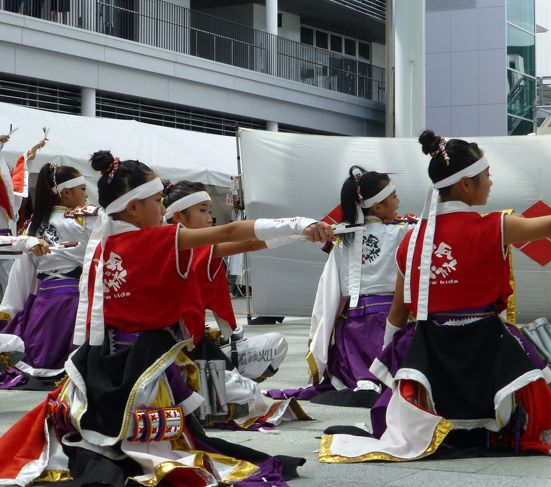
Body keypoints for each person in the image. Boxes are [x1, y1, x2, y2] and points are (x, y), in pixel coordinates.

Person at [0, 150, 333, 486]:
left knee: (102, 431)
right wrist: (299, 224)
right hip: (145, 362)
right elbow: (230, 232)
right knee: (159, 444)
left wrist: (296, 235)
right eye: (159, 200)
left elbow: (236, 242)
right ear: (133, 207)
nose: (164, 209)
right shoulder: (159, 239)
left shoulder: (105, 242)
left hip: (103, 358)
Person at [319, 130, 551, 463]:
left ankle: (429, 417)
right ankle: (515, 407)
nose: (490, 183)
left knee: (417, 347)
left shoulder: (411, 241)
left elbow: (397, 314)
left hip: (432, 356)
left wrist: (390, 368)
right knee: (514, 342)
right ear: (465, 185)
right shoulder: (495, 226)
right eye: (486, 176)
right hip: (488, 349)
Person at [267, 166, 417, 408]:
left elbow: (329, 292)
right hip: (393, 322)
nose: (398, 201)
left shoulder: (343, 239)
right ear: (378, 206)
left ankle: (363, 380)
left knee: (348, 344)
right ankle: (379, 380)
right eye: (394, 196)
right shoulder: (405, 232)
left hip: (354, 330)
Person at [162, 180, 308, 428]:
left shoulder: (199, 246)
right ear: (178, 216)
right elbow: (244, 240)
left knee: (275, 344)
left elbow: (248, 243)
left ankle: (223, 386)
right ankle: (211, 394)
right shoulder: (174, 247)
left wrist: (297, 234)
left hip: (201, 346)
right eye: (203, 211)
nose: (209, 218)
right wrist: (298, 228)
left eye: (209, 211)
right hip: (176, 356)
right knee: (252, 398)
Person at [0, 163, 93, 389]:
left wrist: (9, 310)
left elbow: (21, 273)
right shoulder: (86, 219)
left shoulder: (34, 225)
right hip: (76, 303)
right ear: (66, 192)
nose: (86, 194)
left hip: (42, 306)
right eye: (82, 189)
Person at [0, 134, 47, 300]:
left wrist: (33, 150)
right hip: (7, 243)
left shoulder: (9, 202)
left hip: (7, 245)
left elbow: (21, 170)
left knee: (8, 287)